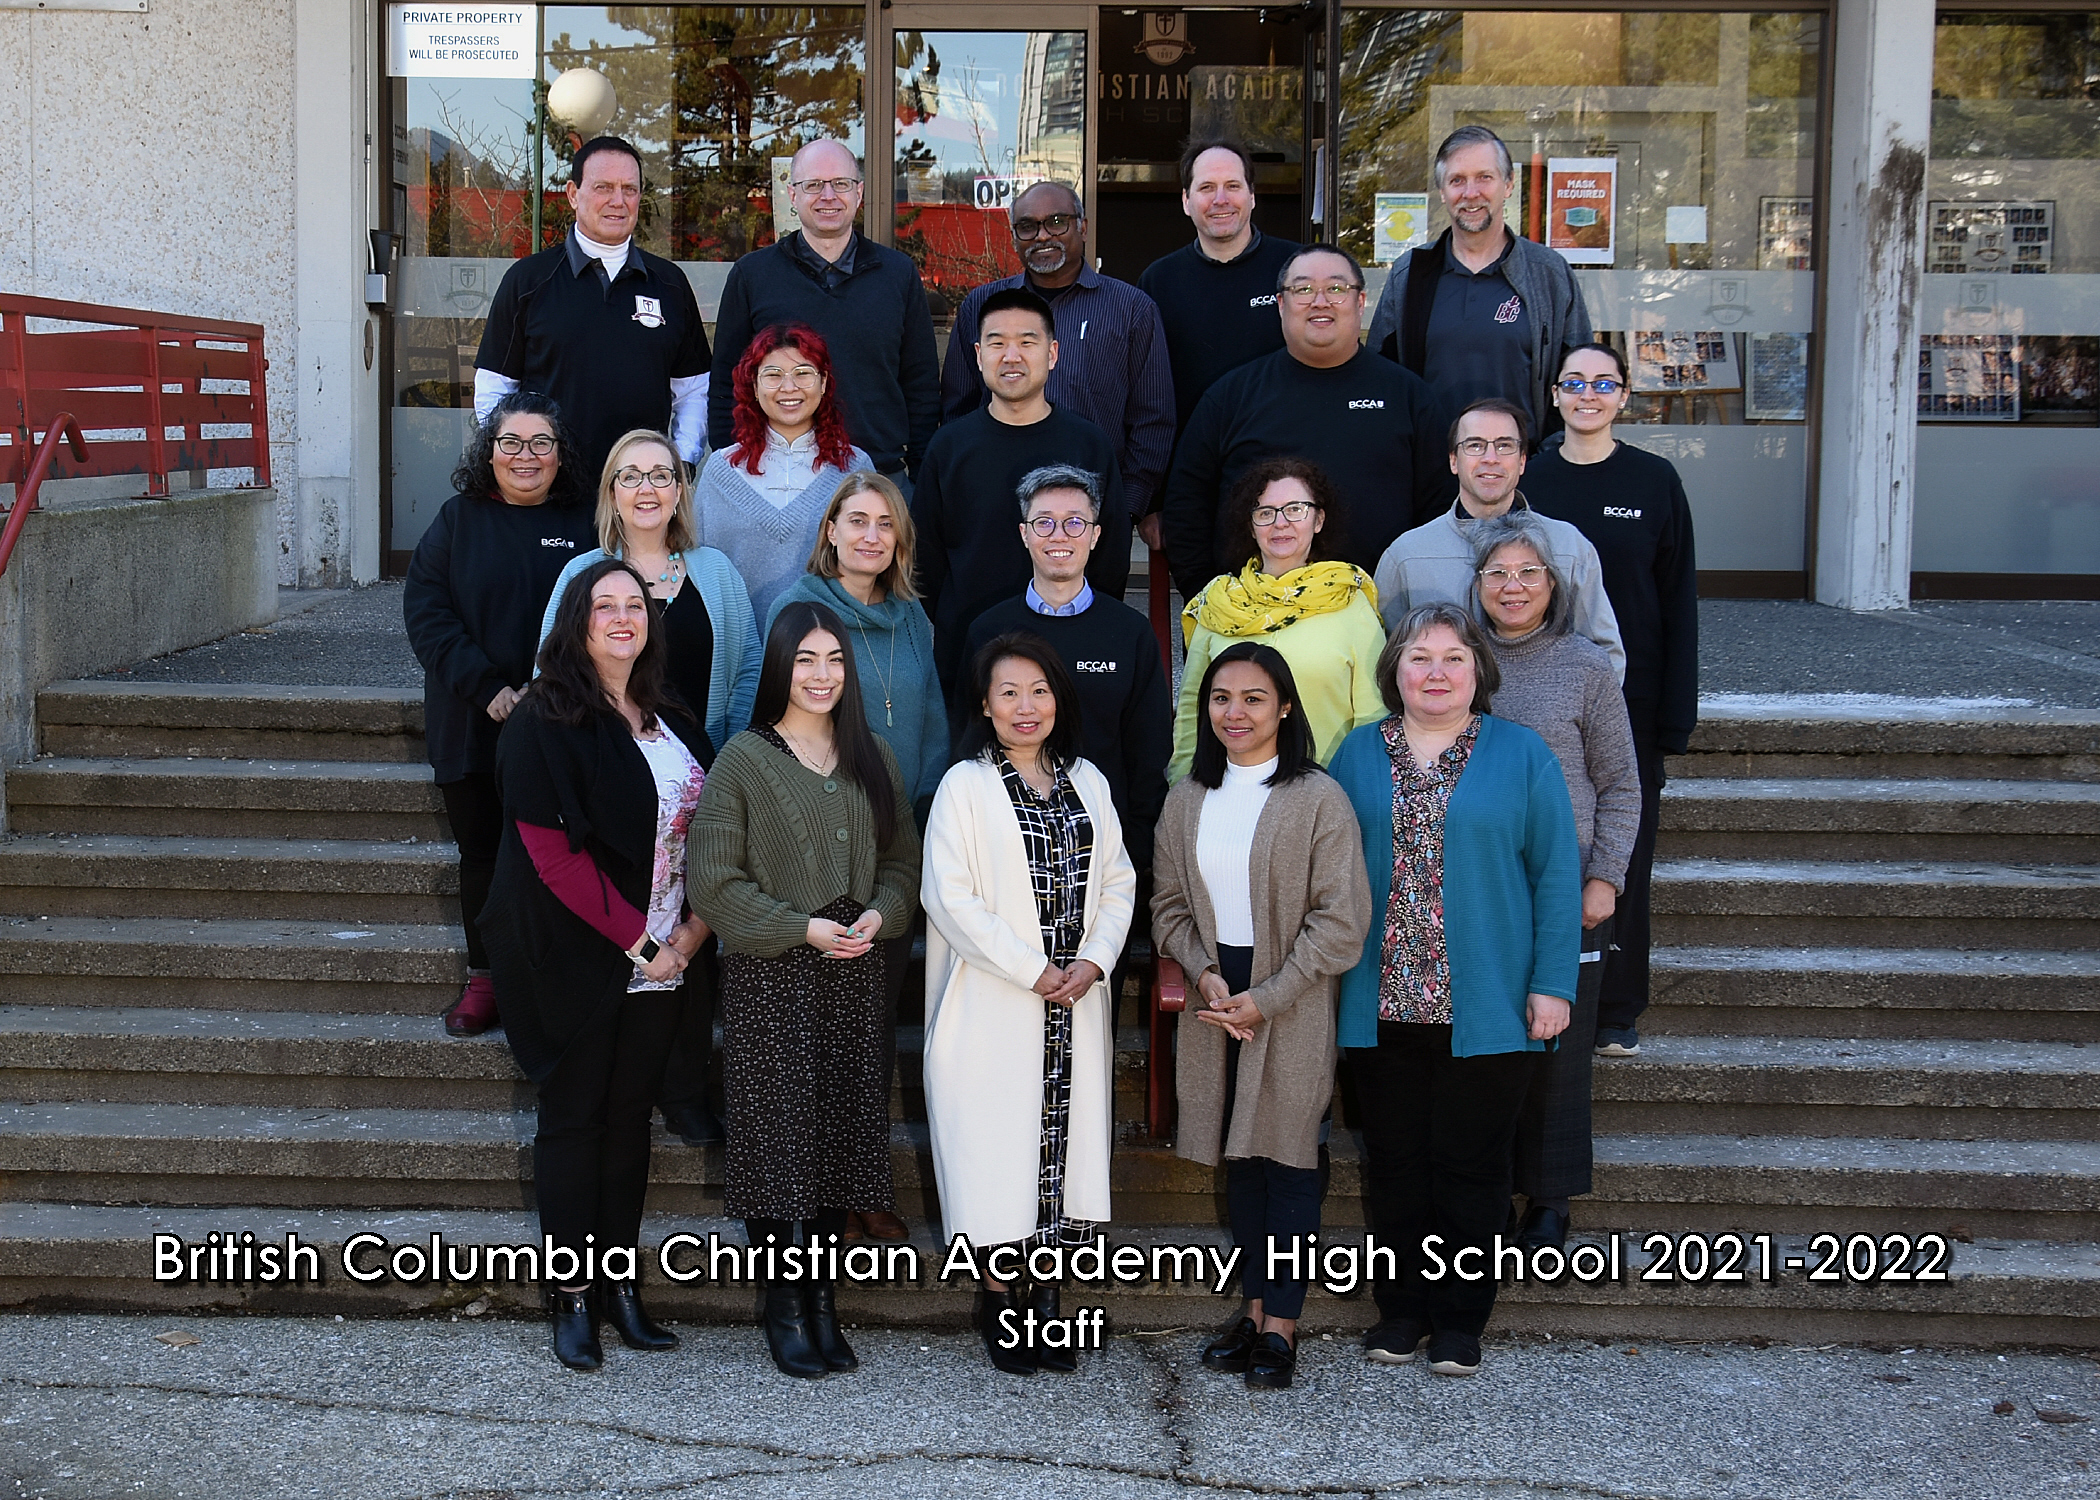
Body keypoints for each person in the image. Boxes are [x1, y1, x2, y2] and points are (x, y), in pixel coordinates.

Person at [1328, 602, 1579, 1378]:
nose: (1435, 672)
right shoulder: (1356, 754)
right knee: (1397, 1165)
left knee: (1473, 1170)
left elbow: (1556, 875)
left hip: (1490, 1004)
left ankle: (1461, 1321)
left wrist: (1552, 984)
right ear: (1395, 671)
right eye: (1419, 657)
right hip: (1381, 1003)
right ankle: (1402, 1311)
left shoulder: (1522, 754)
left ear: (1478, 670)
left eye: (1453, 658)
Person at [480, 557, 710, 1372]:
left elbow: (711, 836)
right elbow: (554, 861)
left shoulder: (672, 716)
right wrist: (643, 945)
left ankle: (620, 1289)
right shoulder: (543, 719)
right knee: (575, 1121)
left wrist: (691, 935)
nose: (622, 617)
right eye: (603, 605)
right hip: (580, 954)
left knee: (628, 1120)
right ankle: (571, 1297)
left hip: (667, 956)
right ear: (575, 623)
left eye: (634, 605)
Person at [687, 601, 920, 1380]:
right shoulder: (743, 761)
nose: (822, 675)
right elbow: (714, 884)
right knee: (777, 1145)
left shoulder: (872, 756)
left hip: (854, 974)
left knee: (839, 1140)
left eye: (835, 660)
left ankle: (823, 1305)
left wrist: (883, 912)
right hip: (773, 974)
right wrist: (802, 928)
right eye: (806, 660)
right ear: (781, 668)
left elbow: (903, 862)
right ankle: (784, 1311)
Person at [1150, 643, 1371, 1392]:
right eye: (1221, 698)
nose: (1234, 712)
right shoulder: (1187, 798)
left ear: (1284, 708)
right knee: (1240, 1159)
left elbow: (1341, 921)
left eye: (1253, 698)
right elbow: (1167, 906)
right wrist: (1207, 975)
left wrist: (1268, 997)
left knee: (1289, 1160)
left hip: (1293, 995)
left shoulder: (1318, 798)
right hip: (1216, 997)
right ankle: (1251, 1311)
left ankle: (1282, 1325)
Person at [921, 634, 1136, 1376]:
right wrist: (1033, 968)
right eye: (1008, 692)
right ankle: (1000, 1302)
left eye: (1039, 690)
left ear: (1058, 701)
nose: (1025, 706)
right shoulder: (964, 788)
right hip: (996, 1002)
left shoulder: (1088, 781)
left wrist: (1094, 960)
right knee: (993, 1157)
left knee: (1059, 1155)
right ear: (984, 705)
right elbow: (949, 897)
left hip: (1074, 1000)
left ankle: (1048, 1299)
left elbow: (1119, 882)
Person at [540, 428, 762, 1145]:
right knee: (626, 920)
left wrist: (725, 759)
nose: (647, 488)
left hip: (701, 776)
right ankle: (615, 1073)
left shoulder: (715, 573)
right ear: (611, 491)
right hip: (611, 781)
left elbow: (749, 665)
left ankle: (685, 1087)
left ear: (679, 491)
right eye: (630, 475)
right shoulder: (583, 574)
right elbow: (550, 665)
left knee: (696, 916)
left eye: (661, 475)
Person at [769, 470, 947, 1243]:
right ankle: (814, 1194)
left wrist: (915, 821)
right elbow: (775, 723)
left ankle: (861, 1183)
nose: (871, 535)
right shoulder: (799, 609)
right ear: (831, 532)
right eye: (857, 521)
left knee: (869, 1029)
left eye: (885, 523)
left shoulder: (914, 619)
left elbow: (933, 723)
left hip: (892, 849)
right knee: (820, 1030)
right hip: (815, 846)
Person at [1522, 342, 1699, 1059]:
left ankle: (1618, 1009)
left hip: (1632, 698)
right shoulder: (1530, 479)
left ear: (1624, 395)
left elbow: (1677, 600)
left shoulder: (1654, 480)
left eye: (1603, 383)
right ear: (1555, 395)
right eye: (1574, 382)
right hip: (1541, 698)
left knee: (1623, 854)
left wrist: (1674, 716)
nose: (1587, 395)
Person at [404, 390, 598, 1039]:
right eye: (510, 442)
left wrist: (555, 695)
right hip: (472, 722)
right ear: (489, 453)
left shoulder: (585, 524)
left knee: (567, 854)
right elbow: (427, 614)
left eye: (541, 443)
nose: (525, 455)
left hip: (566, 723)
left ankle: (558, 978)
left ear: (560, 454)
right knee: (483, 854)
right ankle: (485, 980)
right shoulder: (457, 520)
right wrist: (488, 688)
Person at [1470, 513, 1640, 1251]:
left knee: (1559, 1052)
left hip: (1566, 887)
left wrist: (1605, 878)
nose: (1513, 587)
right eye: (1498, 574)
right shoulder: (1457, 659)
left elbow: (1621, 782)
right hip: (1479, 883)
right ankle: (1485, 1191)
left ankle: (1549, 1199)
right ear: (1478, 584)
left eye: (1528, 573)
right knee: (1489, 1044)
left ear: (1553, 584)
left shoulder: (1585, 666)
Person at [1159, 244, 1448, 603]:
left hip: (1380, 615)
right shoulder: (1231, 396)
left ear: (1360, 302)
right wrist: (1210, 598)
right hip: (1252, 619)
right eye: (1304, 289)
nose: (1320, 301)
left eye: (1336, 288)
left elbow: (1440, 511)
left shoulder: (1408, 397)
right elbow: (1187, 506)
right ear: (1281, 304)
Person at [962, 464, 1172, 881]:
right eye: (1044, 523)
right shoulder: (988, 631)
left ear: (1095, 535)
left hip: (1108, 852)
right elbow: (969, 741)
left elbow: (1150, 752)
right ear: (1024, 534)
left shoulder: (1129, 632)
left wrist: (1133, 850)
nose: (1059, 535)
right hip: (1006, 854)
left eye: (1075, 522)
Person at [911, 287, 1125, 687]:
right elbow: (925, 556)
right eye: (997, 343)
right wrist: (958, 618)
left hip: (1068, 647)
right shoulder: (949, 447)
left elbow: (1110, 555)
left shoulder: (1088, 444)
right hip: (970, 650)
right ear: (978, 356)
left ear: (1052, 353)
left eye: (1027, 342)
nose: (1012, 356)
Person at [940, 180, 1174, 528]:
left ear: (1083, 227)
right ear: (1015, 236)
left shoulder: (1131, 309)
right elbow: (958, 410)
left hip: (1092, 516)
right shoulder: (982, 306)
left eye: (1056, 222)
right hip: (993, 506)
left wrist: (1125, 509)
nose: (1042, 236)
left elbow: (1152, 419)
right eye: (1028, 226)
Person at [708, 140, 940, 490]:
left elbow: (920, 384)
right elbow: (728, 382)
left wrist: (921, 477)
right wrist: (733, 470)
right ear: (793, 195)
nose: (828, 196)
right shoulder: (752, 276)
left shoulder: (898, 274)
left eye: (841, 184)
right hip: (777, 480)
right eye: (814, 185)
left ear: (859, 193)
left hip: (879, 477)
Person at [475, 136, 711, 478]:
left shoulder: (670, 284)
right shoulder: (528, 281)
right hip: (549, 488)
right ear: (573, 194)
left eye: (629, 189)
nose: (618, 201)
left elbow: (694, 391)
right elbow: (495, 387)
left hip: (639, 489)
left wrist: (681, 462)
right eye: (604, 187)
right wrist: (515, 464)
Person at [1374, 399, 1625, 680]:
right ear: (1454, 461)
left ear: (1522, 461)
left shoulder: (1567, 546)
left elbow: (1603, 655)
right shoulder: (1407, 555)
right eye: (1475, 445)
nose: (1490, 458)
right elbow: (1384, 660)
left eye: (1504, 446)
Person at [1367, 126, 1594, 437]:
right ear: (1442, 192)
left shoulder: (1548, 274)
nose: (1471, 193)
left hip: (1524, 461)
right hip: (1433, 462)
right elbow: (1381, 379)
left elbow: (1581, 380)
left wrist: (1549, 455)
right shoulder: (1410, 274)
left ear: (1508, 184)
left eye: (1484, 177)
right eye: (1457, 180)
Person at [1172, 457, 1387, 780]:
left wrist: (1356, 796)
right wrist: (1182, 784)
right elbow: (1192, 708)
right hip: (1229, 789)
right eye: (1265, 513)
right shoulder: (1218, 601)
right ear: (1250, 525)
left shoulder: (1349, 600)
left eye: (1295, 509)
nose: (1280, 523)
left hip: (1327, 791)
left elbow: (1374, 715)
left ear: (1318, 520)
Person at [694, 322, 870, 621]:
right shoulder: (720, 471)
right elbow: (699, 568)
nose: (789, 388)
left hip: (832, 644)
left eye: (803, 373)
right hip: (738, 642)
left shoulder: (856, 468)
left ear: (823, 383)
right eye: (773, 375)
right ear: (754, 386)